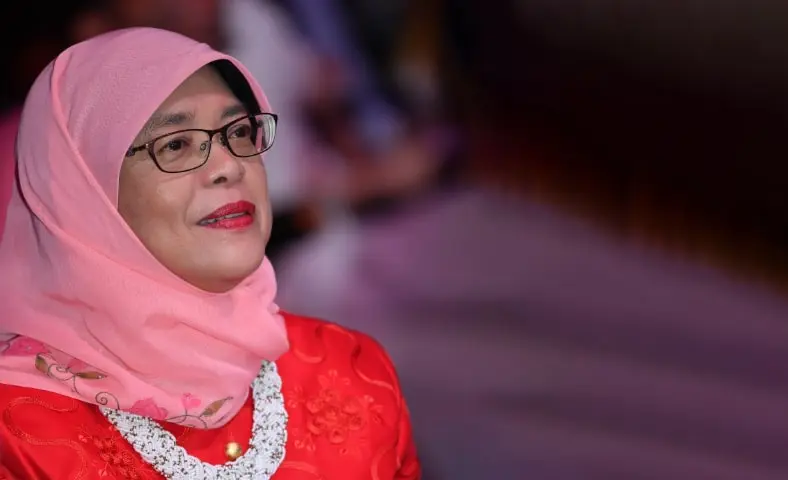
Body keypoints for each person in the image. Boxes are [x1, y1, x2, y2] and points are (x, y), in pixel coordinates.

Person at [0, 27, 419, 479]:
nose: (229, 166)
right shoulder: (15, 433)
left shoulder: (353, 370)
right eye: (175, 145)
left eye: (239, 132)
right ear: (84, 193)